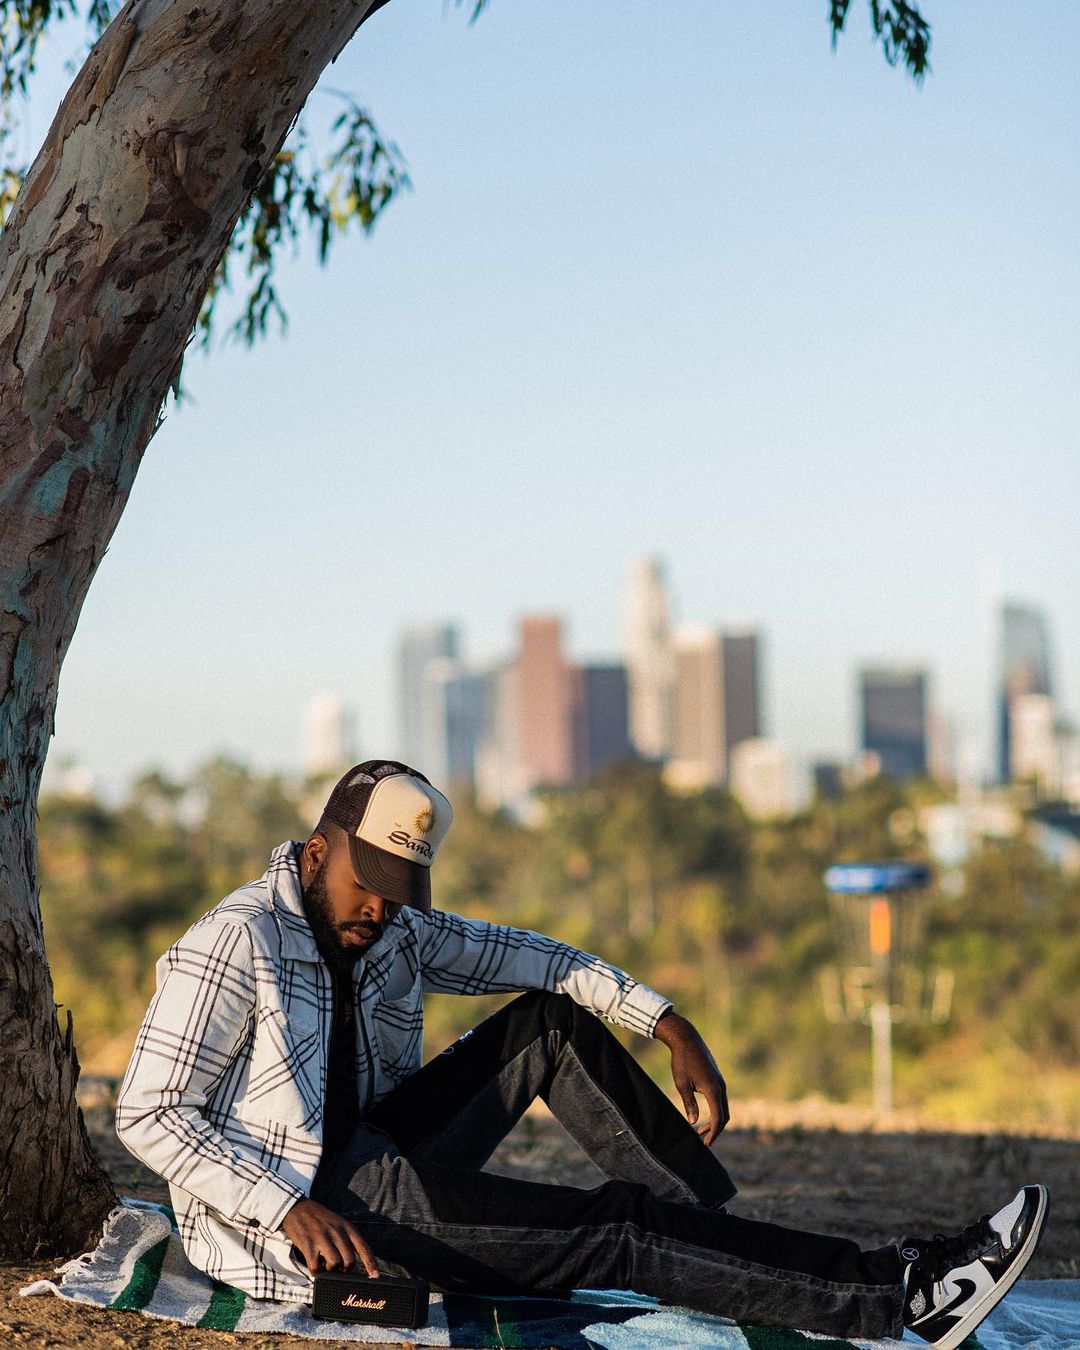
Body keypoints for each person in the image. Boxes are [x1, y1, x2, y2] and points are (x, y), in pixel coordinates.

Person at [116, 759, 1049, 1349]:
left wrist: (667, 1023)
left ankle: (726, 1251)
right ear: (318, 852)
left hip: (377, 1152)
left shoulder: (392, 928)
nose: (381, 910)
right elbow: (148, 1112)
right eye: (369, 884)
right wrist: (284, 1206)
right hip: (310, 1219)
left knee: (550, 1025)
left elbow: (536, 959)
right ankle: (899, 1296)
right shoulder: (235, 941)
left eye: (400, 892)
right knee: (619, 1228)